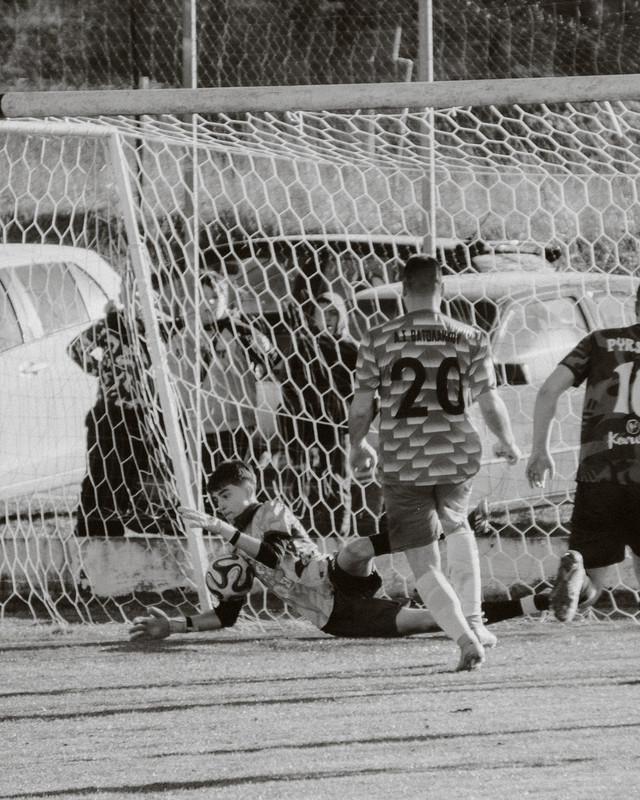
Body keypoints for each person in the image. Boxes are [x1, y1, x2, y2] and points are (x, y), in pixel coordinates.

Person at [128, 460, 548, 667]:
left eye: (225, 495)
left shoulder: (271, 512)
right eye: (215, 500)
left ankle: (446, 530)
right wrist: (175, 626)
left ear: (248, 488)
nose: (219, 505)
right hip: (335, 615)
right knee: (430, 620)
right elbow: (227, 615)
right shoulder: (235, 550)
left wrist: (223, 530)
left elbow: (277, 557)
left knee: (356, 550)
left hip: (329, 574)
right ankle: (538, 603)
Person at [347, 254, 521, 669]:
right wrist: (506, 441)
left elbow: (362, 406)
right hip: (456, 455)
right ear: (441, 289)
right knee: (457, 525)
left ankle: (464, 637)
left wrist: (358, 445)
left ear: (403, 291)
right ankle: (475, 622)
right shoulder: (470, 336)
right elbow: (489, 400)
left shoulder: (377, 339)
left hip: (404, 461)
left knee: (422, 558)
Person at [526, 283, 640, 622]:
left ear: (636, 306)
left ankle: (577, 578)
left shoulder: (599, 341)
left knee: (592, 585)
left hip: (599, 476)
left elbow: (548, 390)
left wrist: (540, 450)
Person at [69, 296, 165, 537]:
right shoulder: (110, 324)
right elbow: (76, 348)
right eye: (133, 297)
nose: (139, 303)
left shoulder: (159, 326)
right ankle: (92, 529)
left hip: (146, 413)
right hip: (110, 412)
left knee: (133, 473)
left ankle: (121, 527)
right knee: (103, 471)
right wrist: (104, 370)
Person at [275, 292, 359, 536]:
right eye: (320, 313)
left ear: (342, 315)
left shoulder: (352, 349)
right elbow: (287, 382)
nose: (327, 318)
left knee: (337, 482)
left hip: (337, 428)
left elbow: (364, 393)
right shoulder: (303, 346)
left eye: (332, 312)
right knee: (303, 481)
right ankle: (302, 534)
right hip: (306, 427)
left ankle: (337, 537)